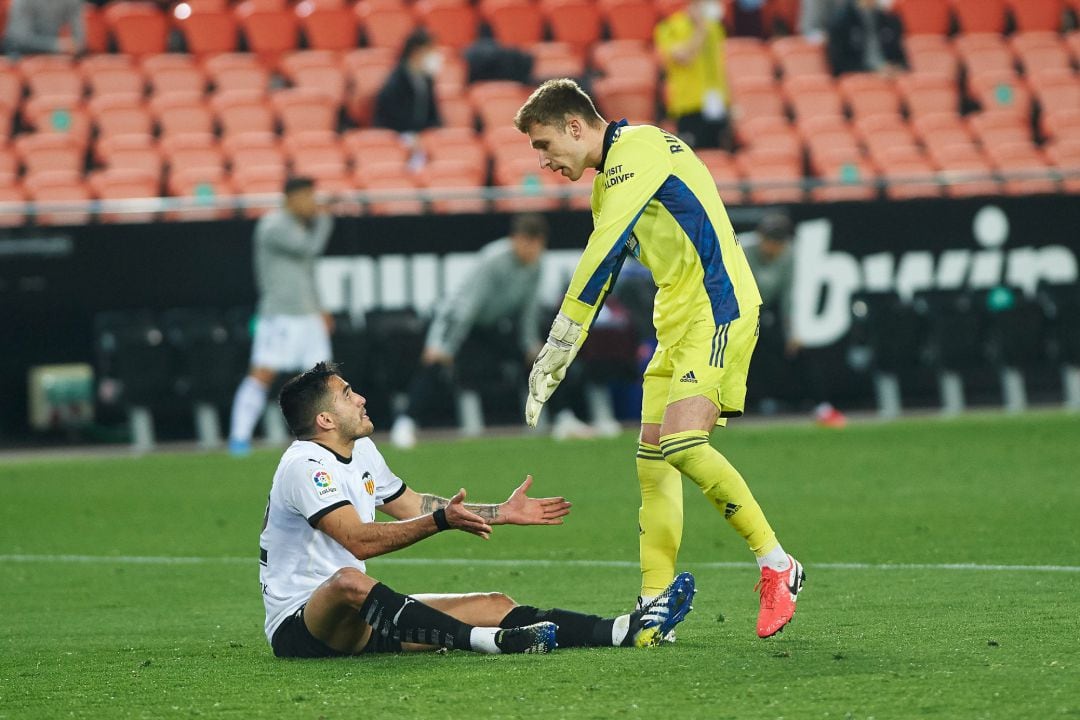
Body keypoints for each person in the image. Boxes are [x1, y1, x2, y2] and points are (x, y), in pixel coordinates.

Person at [513, 78, 805, 639]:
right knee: (652, 463)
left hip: (717, 309)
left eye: (544, 145)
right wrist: (561, 356)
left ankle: (778, 565)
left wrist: (559, 341)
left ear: (576, 126)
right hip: (675, 324)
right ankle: (655, 607)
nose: (543, 162)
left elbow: (598, 258)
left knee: (682, 443)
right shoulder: (609, 186)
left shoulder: (637, 150)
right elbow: (608, 271)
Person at [260, 361, 697, 657]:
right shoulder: (305, 466)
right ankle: (491, 642)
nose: (360, 398)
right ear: (325, 421)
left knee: (494, 601)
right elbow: (357, 540)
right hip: (302, 625)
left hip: (362, 619)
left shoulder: (364, 450)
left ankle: (624, 630)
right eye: (347, 394)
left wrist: (497, 512)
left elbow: (412, 505)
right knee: (348, 581)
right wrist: (440, 522)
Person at [388, 213, 595, 448]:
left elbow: (527, 311)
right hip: (459, 322)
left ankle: (564, 418)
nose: (533, 251)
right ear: (516, 239)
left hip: (491, 326)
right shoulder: (493, 259)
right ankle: (405, 423)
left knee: (543, 359)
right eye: (528, 243)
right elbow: (467, 308)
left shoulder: (536, 266)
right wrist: (443, 345)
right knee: (437, 363)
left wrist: (530, 345)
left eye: (538, 245)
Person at [228, 176, 335, 456]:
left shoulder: (301, 228)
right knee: (263, 373)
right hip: (280, 315)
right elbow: (308, 249)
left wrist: (320, 307)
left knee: (322, 378)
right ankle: (239, 438)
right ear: (291, 198)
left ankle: (324, 438)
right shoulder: (273, 225)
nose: (313, 203)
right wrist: (326, 221)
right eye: (308, 197)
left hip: (308, 314)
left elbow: (308, 271)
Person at [742, 211, 847, 426]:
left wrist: (791, 332)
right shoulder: (743, 252)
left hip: (769, 310)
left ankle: (822, 407)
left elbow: (787, 296)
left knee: (798, 351)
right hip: (739, 310)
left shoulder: (788, 255)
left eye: (777, 242)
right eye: (769, 240)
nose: (772, 247)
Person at [654, 0, 731, 151]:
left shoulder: (715, 27)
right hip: (688, 105)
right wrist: (700, 29)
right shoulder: (670, 27)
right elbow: (684, 57)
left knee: (717, 157)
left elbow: (720, 65)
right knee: (693, 156)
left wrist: (730, 102)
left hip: (716, 103)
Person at [373, 28, 442, 135]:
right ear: (417, 52)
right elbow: (389, 117)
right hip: (397, 135)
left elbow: (433, 114)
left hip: (420, 135)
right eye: (431, 50)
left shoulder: (427, 79)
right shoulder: (396, 81)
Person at [826, 0, 908, 76]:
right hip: (859, 77)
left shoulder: (890, 19)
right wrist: (873, 71)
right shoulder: (840, 21)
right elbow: (838, 64)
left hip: (889, 76)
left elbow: (901, 59)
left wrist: (895, 68)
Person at [4, 0, 84, 57]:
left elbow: (79, 41)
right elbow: (19, 39)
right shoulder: (24, 1)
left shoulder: (72, 2)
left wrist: (73, 46)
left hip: (54, 57)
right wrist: (56, 45)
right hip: (20, 54)